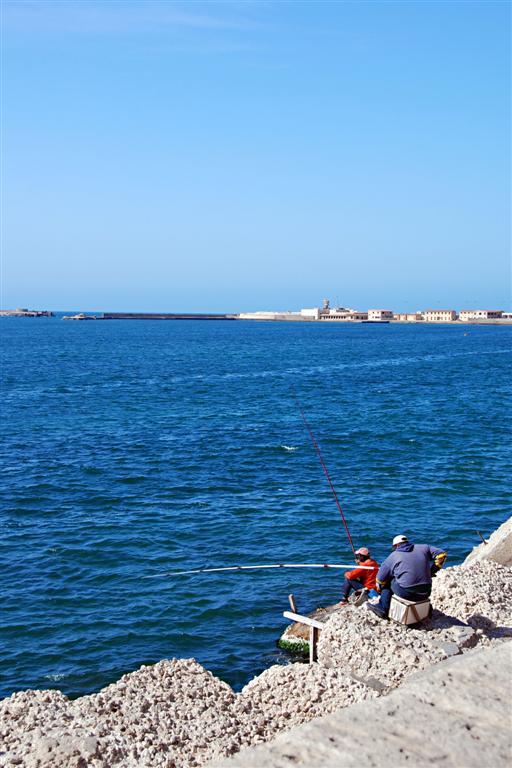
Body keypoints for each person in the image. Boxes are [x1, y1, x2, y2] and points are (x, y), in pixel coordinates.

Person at [368, 534, 447, 619]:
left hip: (407, 593)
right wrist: (433, 570)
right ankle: (427, 608)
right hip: (426, 592)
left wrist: (380, 588)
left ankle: (383, 608)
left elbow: (380, 579)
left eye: (394, 547)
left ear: (397, 545)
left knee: (387, 582)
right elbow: (441, 555)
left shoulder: (393, 556)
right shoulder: (424, 548)